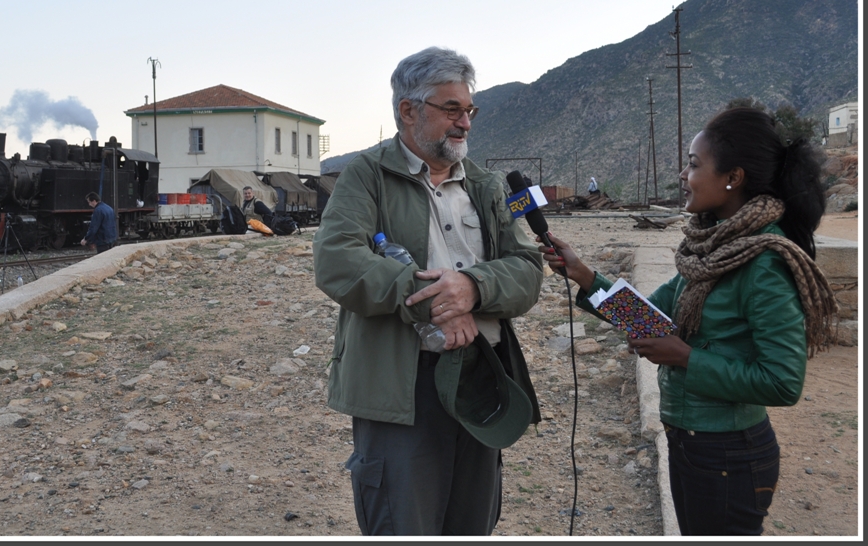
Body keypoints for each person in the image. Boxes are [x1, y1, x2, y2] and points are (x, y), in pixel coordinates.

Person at [539, 107, 838, 536]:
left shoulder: (765, 261)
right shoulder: (709, 248)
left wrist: (685, 357)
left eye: (694, 165)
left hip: (729, 457)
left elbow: (783, 382)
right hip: (690, 443)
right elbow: (649, 318)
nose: (683, 174)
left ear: (732, 178)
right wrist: (584, 274)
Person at [313, 47, 544, 535]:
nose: (465, 123)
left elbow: (526, 267)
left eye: (470, 111)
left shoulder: (487, 184)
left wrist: (472, 288)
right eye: (451, 109)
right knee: (404, 520)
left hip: (482, 372)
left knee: (472, 520)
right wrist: (438, 304)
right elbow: (337, 261)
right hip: (404, 382)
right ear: (408, 110)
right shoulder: (366, 175)